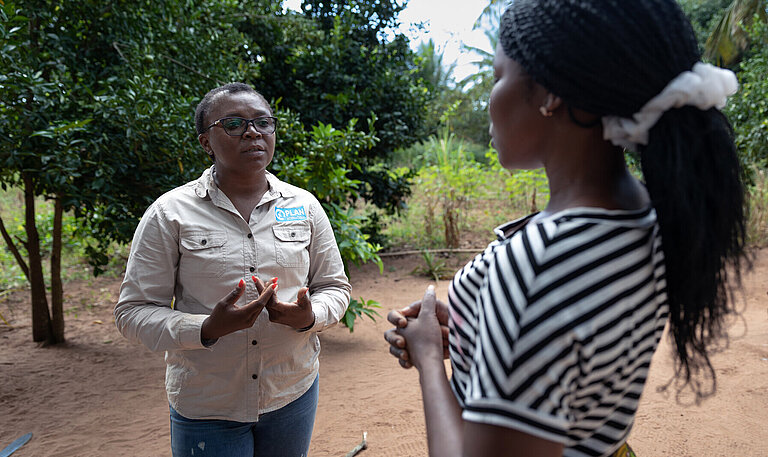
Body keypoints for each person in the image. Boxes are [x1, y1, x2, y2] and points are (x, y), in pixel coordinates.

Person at [384, 1, 749, 456]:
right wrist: (475, 328)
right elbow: (571, 345)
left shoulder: (538, 266)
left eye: (498, 77)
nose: (490, 98)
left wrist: (427, 362)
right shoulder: (646, 215)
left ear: (551, 92)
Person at [114, 82, 351, 457]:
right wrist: (206, 328)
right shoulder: (170, 213)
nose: (253, 132)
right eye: (234, 124)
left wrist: (309, 316)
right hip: (207, 404)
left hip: (292, 391)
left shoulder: (304, 206)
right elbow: (132, 312)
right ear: (205, 142)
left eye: (263, 122)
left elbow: (335, 287)